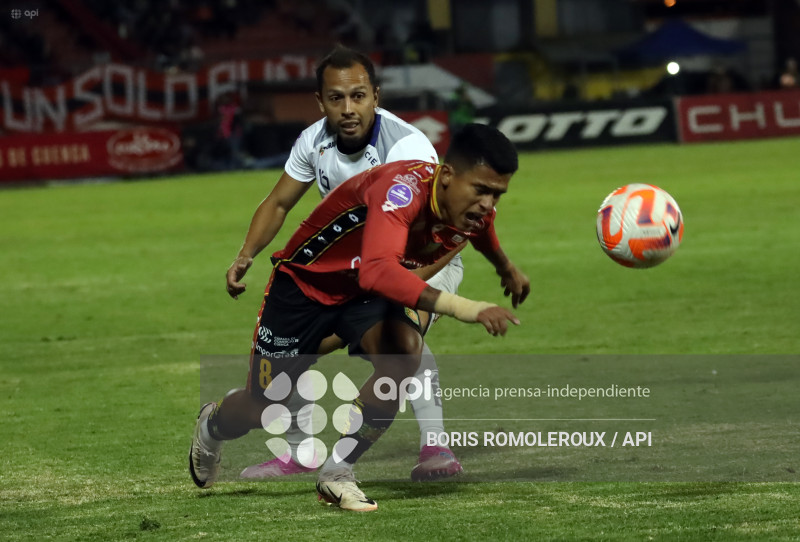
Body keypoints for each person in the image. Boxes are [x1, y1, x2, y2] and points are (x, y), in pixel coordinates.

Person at [189, 123, 530, 511]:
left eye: (497, 194)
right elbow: (377, 270)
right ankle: (212, 426)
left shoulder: (468, 207)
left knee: (403, 355)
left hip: (362, 295)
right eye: (481, 190)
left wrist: (504, 266)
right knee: (266, 406)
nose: (488, 205)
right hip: (304, 289)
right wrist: (467, 307)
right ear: (447, 175)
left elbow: (482, 229)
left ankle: (337, 473)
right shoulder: (400, 190)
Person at [228, 45, 466, 482]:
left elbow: (447, 228)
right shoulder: (313, 141)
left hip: (426, 256)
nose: (349, 109)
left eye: (358, 96)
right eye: (336, 99)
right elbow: (279, 203)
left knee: (401, 334)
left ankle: (435, 447)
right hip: (355, 269)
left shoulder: (408, 148)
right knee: (294, 353)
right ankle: (301, 452)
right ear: (321, 103)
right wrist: (246, 255)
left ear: (376, 95)